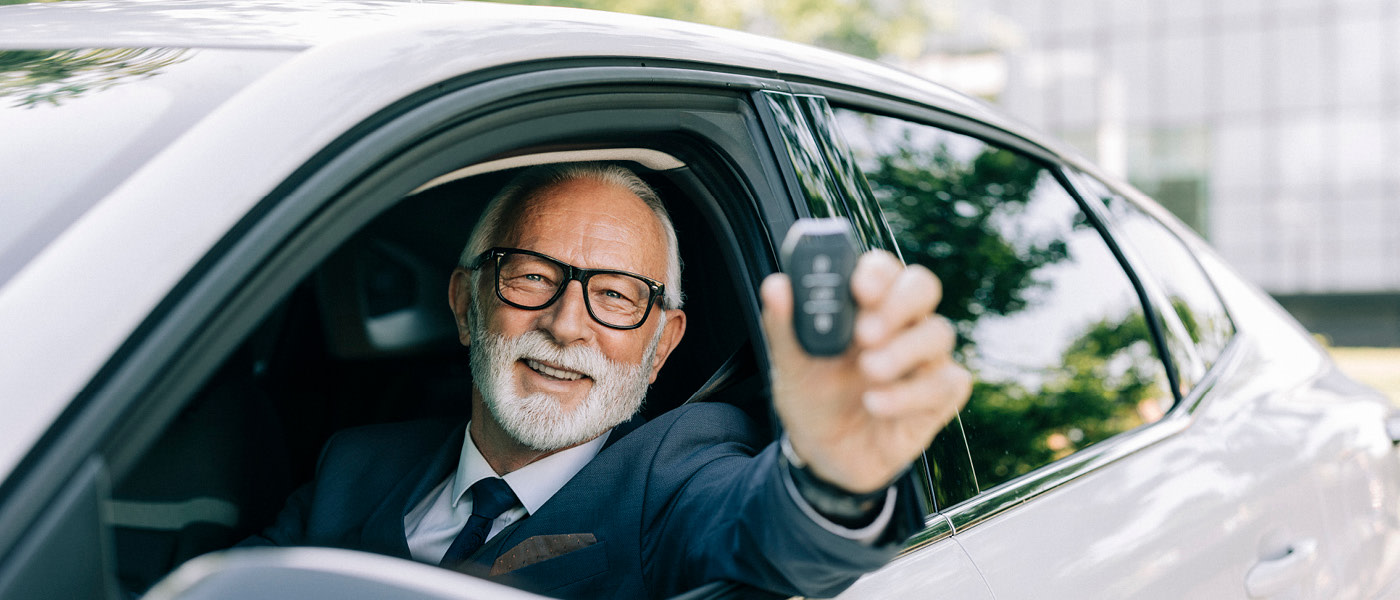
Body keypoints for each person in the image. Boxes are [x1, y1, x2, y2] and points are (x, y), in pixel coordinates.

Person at [242, 162, 971, 599]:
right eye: (531, 276)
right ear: (467, 304)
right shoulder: (355, 464)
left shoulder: (679, 469)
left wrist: (834, 479)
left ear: (660, 347)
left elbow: (772, 533)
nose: (567, 324)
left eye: (617, 297)